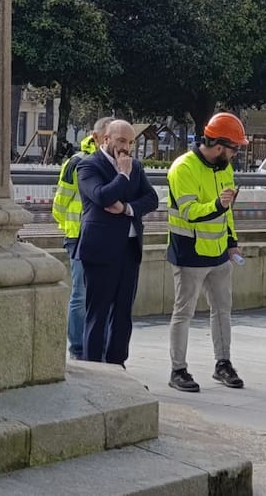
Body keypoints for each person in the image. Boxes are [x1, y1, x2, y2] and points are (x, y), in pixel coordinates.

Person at [165, 112, 247, 392]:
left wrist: (232, 241)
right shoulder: (183, 167)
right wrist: (218, 205)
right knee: (183, 312)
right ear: (220, 146)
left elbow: (228, 212)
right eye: (234, 148)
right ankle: (178, 370)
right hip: (189, 252)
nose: (236, 154)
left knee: (223, 311)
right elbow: (189, 212)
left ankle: (223, 363)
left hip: (219, 253)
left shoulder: (224, 167)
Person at [75, 119, 159, 366]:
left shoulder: (135, 166)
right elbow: (102, 196)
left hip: (129, 249)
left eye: (130, 142)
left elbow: (151, 199)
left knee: (123, 313)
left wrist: (127, 208)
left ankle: (117, 366)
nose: (126, 147)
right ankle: (93, 368)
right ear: (105, 139)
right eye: (121, 140)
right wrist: (122, 175)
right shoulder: (89, 165)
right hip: (100, 250)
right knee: (98, 313)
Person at [52, 116, 113, 360]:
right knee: (80, 293)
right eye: (107, 136)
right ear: (96, 137)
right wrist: (72, 229)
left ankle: (99, 347)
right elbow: (60, 203)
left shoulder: (117, 162)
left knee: (102, 294)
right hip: (79, 237)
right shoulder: (76, 163)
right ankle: (78, 348)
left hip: (104, 237)